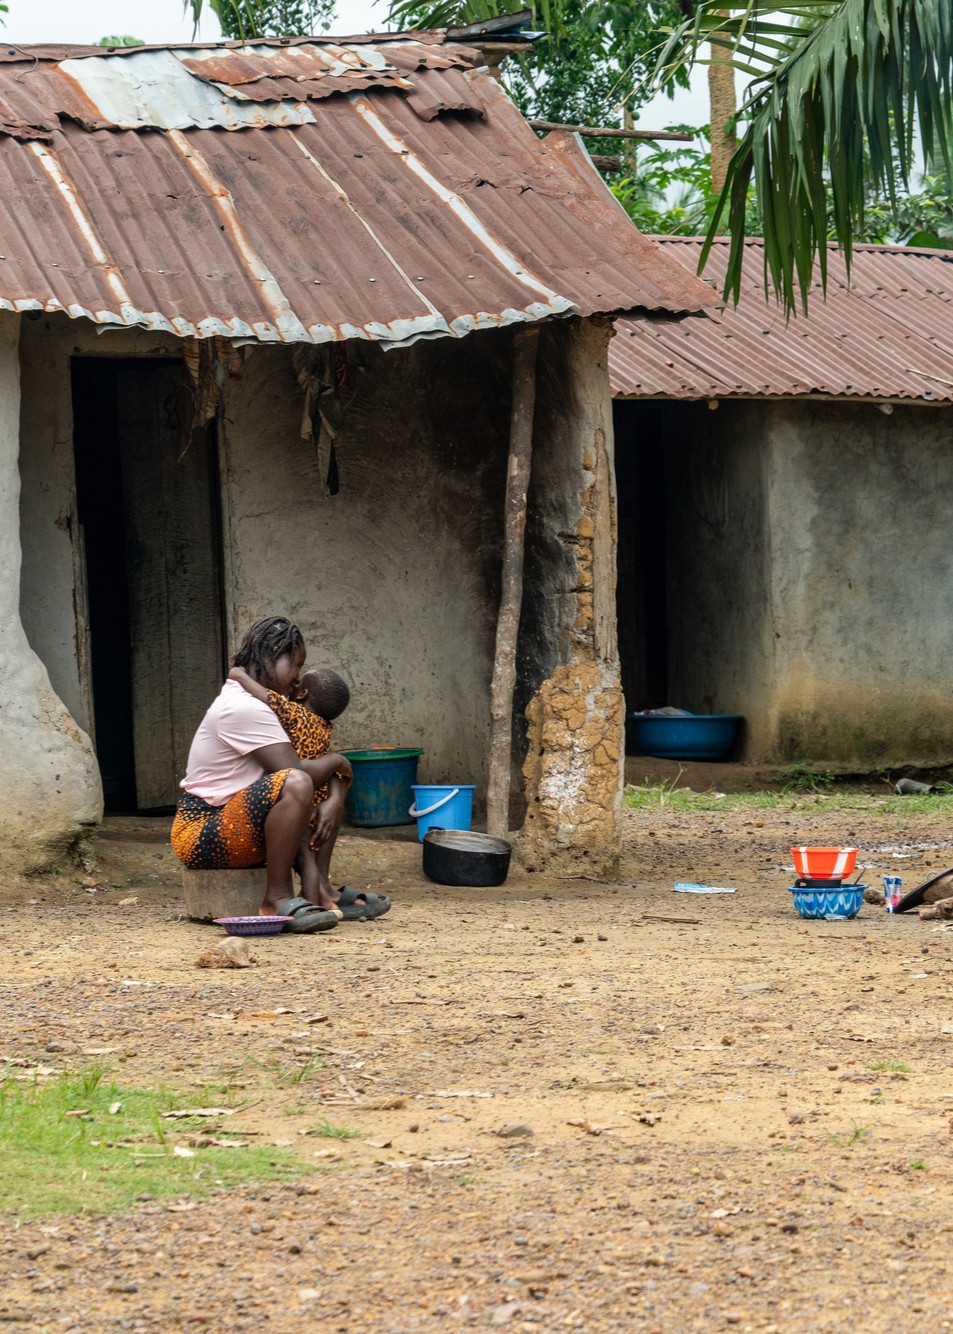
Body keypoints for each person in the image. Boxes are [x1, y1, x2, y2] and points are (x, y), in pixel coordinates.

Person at [171, 616, 352, 932]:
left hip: (234, 820)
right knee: (295, 781)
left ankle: (321, 888)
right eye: (295, 664)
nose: (297, 676)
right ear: (274, 654)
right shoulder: (244, 707)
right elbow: (295, 771)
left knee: (306, 783)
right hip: (201, 832)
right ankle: (277, 898)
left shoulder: (269, 706)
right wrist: (338, 761)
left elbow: (314, 761)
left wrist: (335, 796)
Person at [228, 662, 390, 921]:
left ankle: (312, 907)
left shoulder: (293, 714)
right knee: (311, 858)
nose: (293, 684)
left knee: (307, 862)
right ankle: (322, 899)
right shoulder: (325, 728)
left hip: (296, 801)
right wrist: (334, 795)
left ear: (302, 695)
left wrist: (238, 675)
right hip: (316, 799)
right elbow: (334, 766)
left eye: (299, 682)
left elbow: (267, 697)